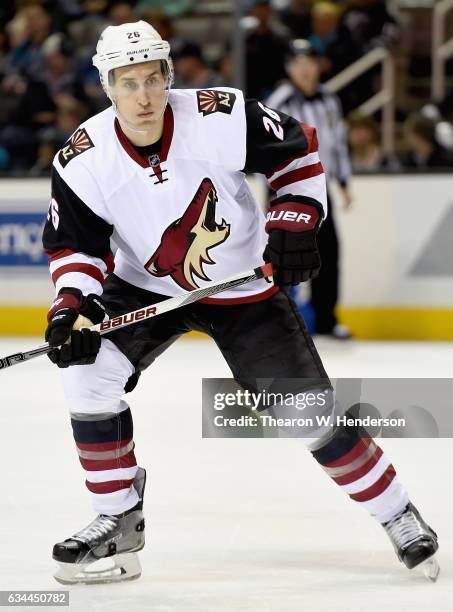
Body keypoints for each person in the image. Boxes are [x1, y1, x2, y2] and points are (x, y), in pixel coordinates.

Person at [42, 20, 439, 585]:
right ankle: (116, 518)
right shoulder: (82, 157)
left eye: (153, 79)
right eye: (128, 84)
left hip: (241, 284)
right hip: (143, 288)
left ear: (168, 76)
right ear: (107, 86)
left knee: (306, 417)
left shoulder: (217, 113)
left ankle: (397, 511)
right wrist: (71, 307)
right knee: (85, 378)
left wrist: (296, 219)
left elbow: (297, 152)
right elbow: (74, 246)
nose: (144, 96)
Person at [267, 39, 352, 339]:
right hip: (288, 189)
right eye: (298, 64)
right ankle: (281, 322)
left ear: (318, 66)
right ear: (289, 68)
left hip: (322, 187)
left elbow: (337, 141)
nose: (305, 70)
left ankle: (327, 319)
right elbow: (268, 147)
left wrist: (343, 181)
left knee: (329, 251)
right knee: (286, 252)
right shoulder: (280, 100)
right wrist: (272, 192)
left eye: (310, 63)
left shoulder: (330, 100)